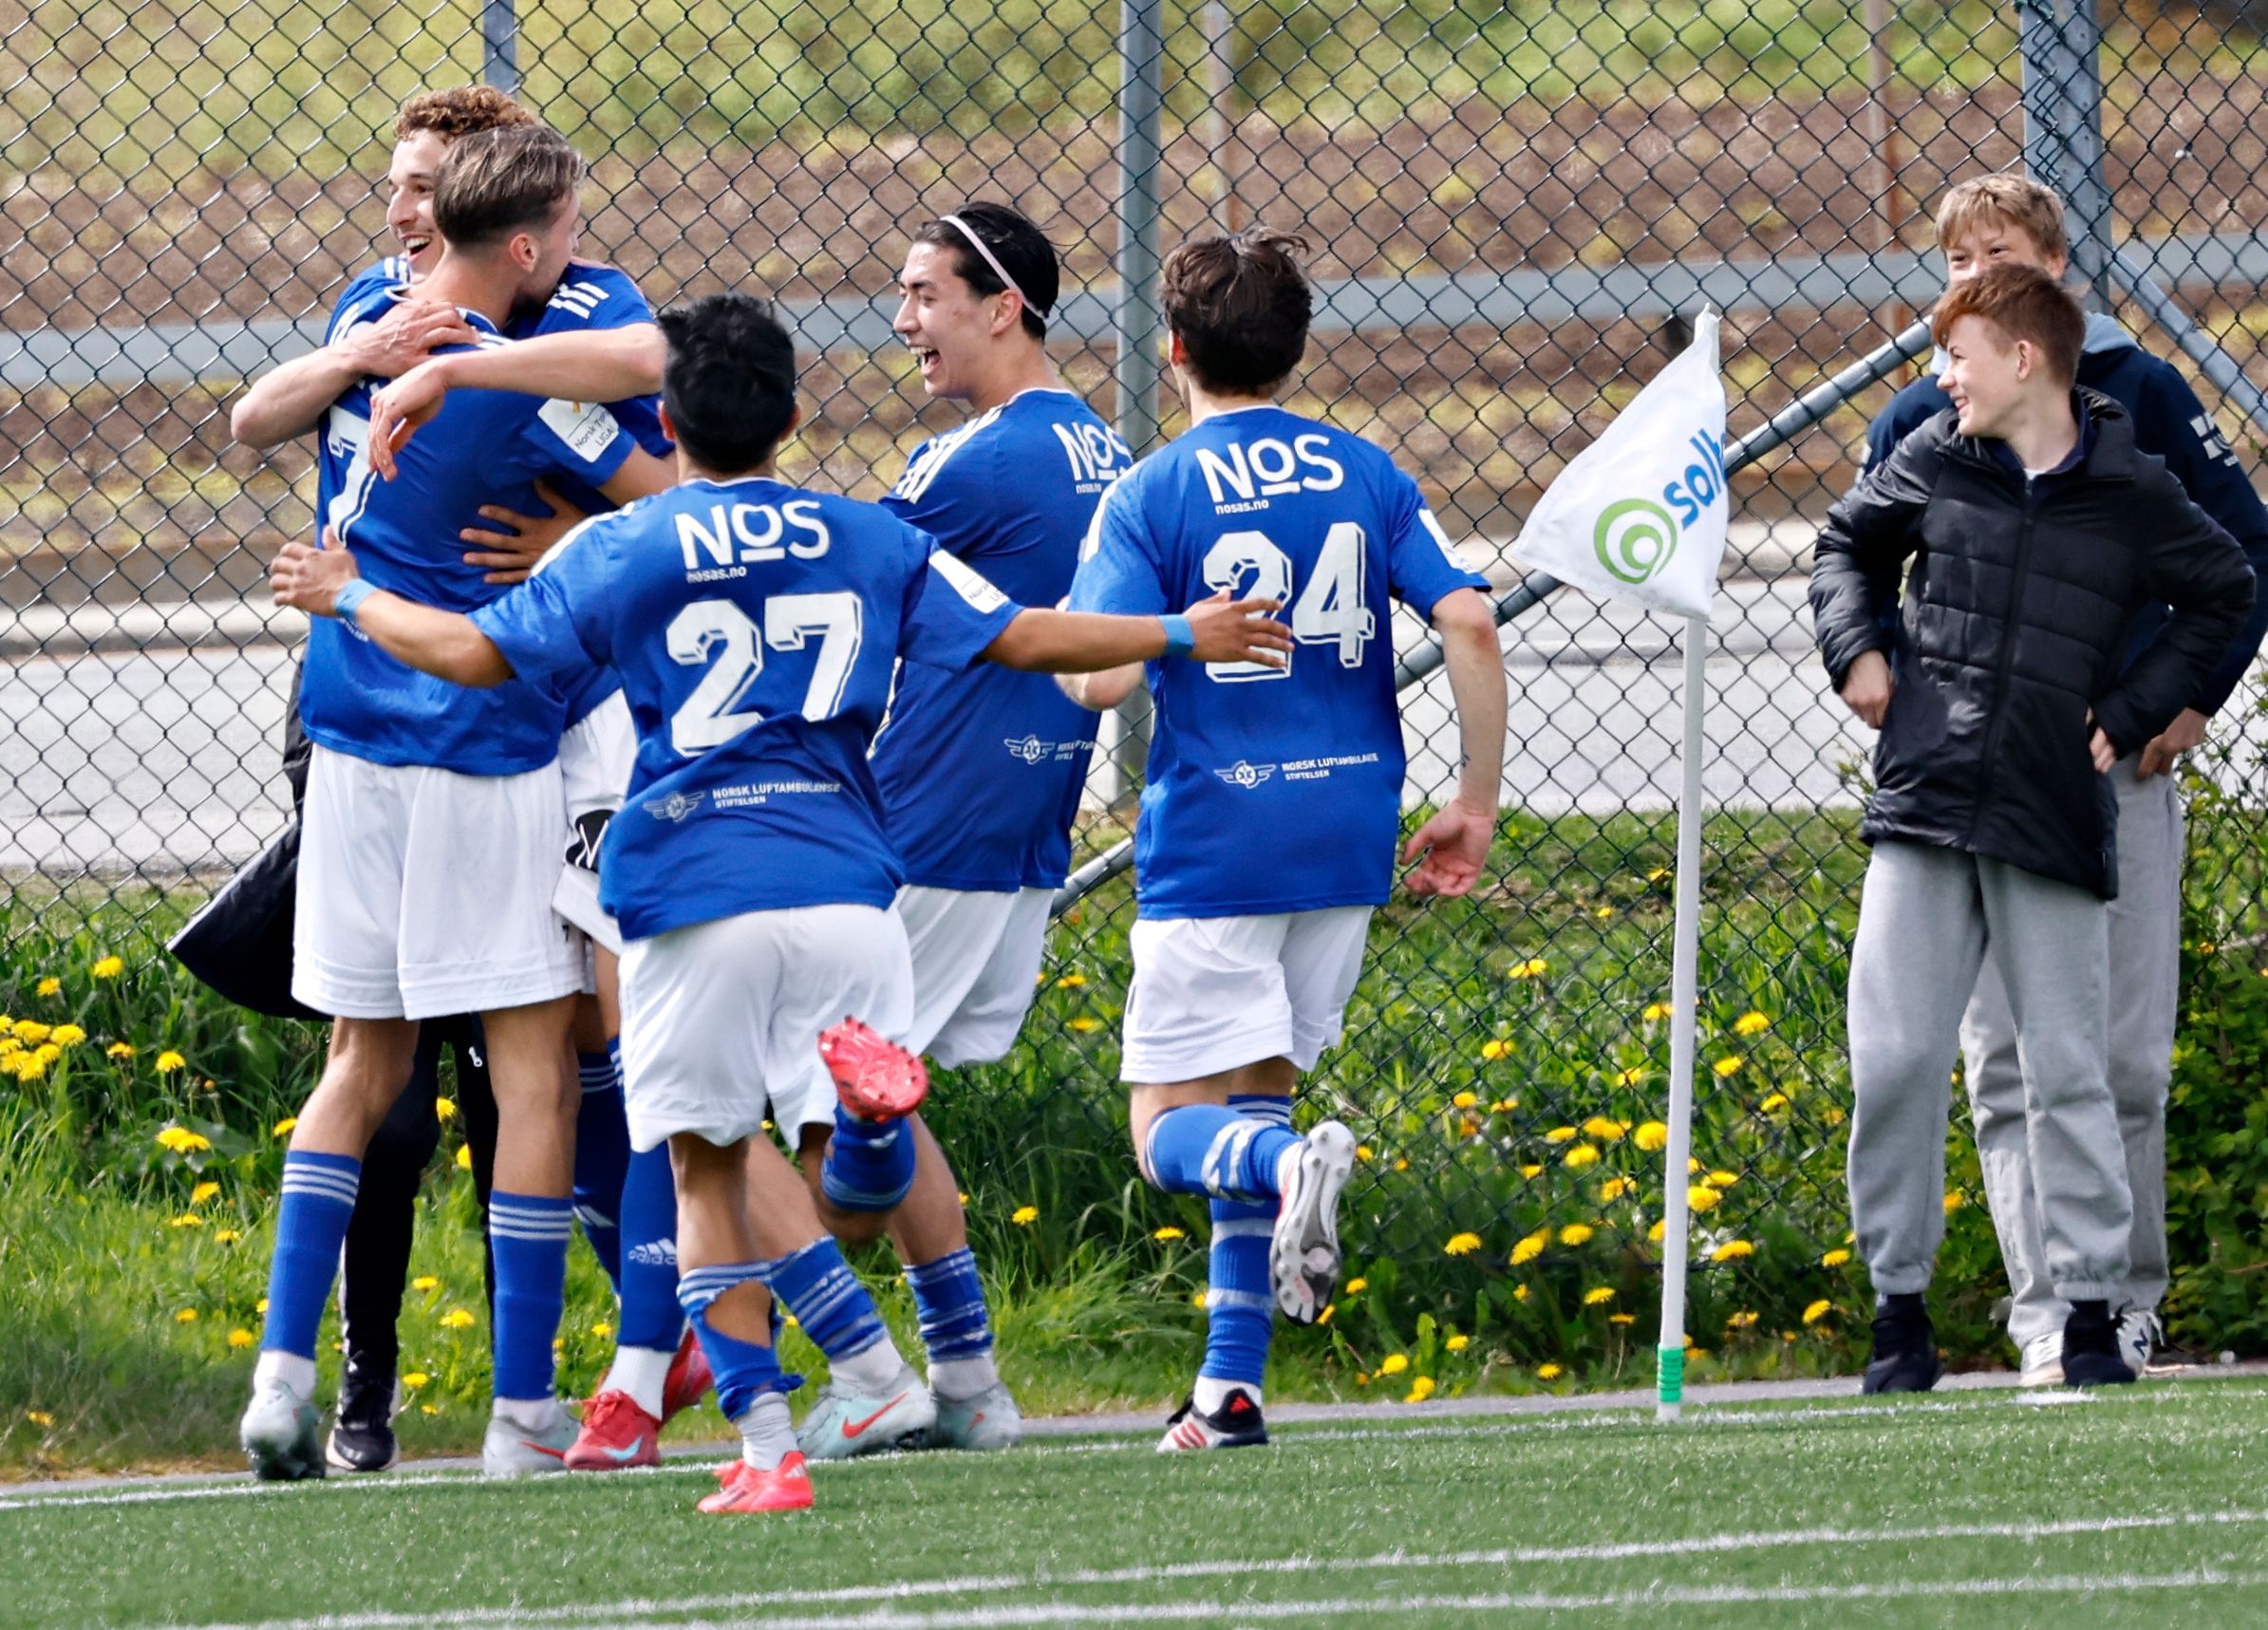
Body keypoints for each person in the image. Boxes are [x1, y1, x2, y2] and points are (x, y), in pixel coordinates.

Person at [267, 290, 1298, 1511]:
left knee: (705, 1168)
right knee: (836, 1185)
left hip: (693, 886)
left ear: (665, 423)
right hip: (847, 885)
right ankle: (866, 1150)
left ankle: (766, 1448)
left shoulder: (618, 545)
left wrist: (344, 594)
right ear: (794, 421)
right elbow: (1024, 635)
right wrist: (1180, 630)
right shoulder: (867, 536)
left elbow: (470, 653)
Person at [235, 122, 677, 1482]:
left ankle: (280, 1378)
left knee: (358, 1064)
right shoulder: (523, 372)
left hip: (348, 726)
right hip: (484, 738)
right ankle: (521, 1408)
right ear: (529, 241)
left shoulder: (375, 324)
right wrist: (586, 520)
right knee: (532, 1066)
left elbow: (261, 420)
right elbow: (670, 487)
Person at [1061, 228, 1509, 1450]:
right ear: (1296, 349)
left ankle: (1283, 1178)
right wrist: (1474, 798)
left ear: (1172, 349)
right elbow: (1468, 618)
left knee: (1168, 1134)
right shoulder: (1365, 470)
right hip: (1346, 830)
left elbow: (1095, 683)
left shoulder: (1151, 490)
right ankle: (1231, 1389)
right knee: (1258, 1106)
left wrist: (1151, 631)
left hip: (1221, 840)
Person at [1811, 263, 2253, 1393]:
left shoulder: (2131, 485)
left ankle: (2093, 1312)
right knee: (1896, 1059)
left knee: (2068, 1067)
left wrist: (2135, 708)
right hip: (1924, 806)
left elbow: (2226, 587)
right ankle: (1897, 1313)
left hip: (2051, 814)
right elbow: (1845, 546)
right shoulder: (1933, 456)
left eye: (1957, 354)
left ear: (2022, 360)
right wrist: (1859, 651)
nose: (1942, 377)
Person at [760, 202, 1134, 1462]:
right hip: (1017, 821)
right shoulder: (1100, 445)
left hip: (924, 821)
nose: (904, 319)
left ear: (1003, 307)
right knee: (882, 1096)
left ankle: (797, 1356)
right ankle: (965, 1379)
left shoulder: (978, 459)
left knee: (796, 1118)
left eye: (926, 295)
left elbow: (823, 570)